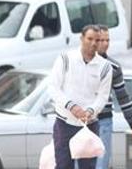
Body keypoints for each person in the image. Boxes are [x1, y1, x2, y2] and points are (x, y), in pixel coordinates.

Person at [48, 25, 113, 169]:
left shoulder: (105, 67)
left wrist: (90, 111)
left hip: (89, 125)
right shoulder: (65, 59)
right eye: (89, 39)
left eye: (97, 40)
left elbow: (103, 97)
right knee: (63, 165)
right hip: (64, 123)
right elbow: (53, 88)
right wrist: (71, 106)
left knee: (88, 167)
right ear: (82, 39)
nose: (93, 43)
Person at [95, 25, 132, 169]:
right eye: (101, 40)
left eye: (107, 40)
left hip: (104, 122)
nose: (105, 43)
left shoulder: (114, 67)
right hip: (82, 122)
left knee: (101, 165)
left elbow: (123, 98)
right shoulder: (80, 63)